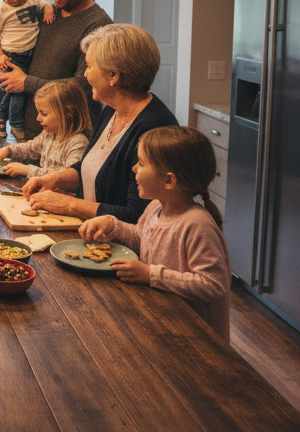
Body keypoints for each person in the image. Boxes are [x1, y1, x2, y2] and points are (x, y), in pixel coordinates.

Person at [78, 126, 232, 340]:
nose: (133, 169)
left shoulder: (197, 225)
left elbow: (213, 285)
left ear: (169, 181)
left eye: (141, 163)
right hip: (162, 324)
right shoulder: (154, 208)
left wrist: (151, 274)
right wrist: (113, 226)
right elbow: (142, 238)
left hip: (195, 337)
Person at [20, 23, 179, 223]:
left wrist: (69, 205)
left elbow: (139, 216)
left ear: (113, 76)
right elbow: (92, 168)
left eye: (89, 66)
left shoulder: (155, 128)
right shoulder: (111, 110)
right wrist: (54, 179)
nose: (85, 75)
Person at [0, 0, 112, 140]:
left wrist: (26, 82)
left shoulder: (99, 26)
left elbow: (85, 87)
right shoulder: (45, 13)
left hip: (68, 139)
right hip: (27, 134)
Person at [0, 0, 56, 139]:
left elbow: (45, 4)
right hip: (10, 56)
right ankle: (16, 125)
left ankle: (0, 115)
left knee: (18, 88)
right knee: (18, 91)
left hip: (30, 56)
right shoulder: (1, 10)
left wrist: (48, 8)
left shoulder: (33, 1)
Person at [0, 78, 91, 178]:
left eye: (44, 114)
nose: (38, 118)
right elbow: (29, 149)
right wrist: (8, 150)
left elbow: (66, 177)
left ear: (67, 113)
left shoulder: (78, 143)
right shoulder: (48, 134)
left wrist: (27, 170)